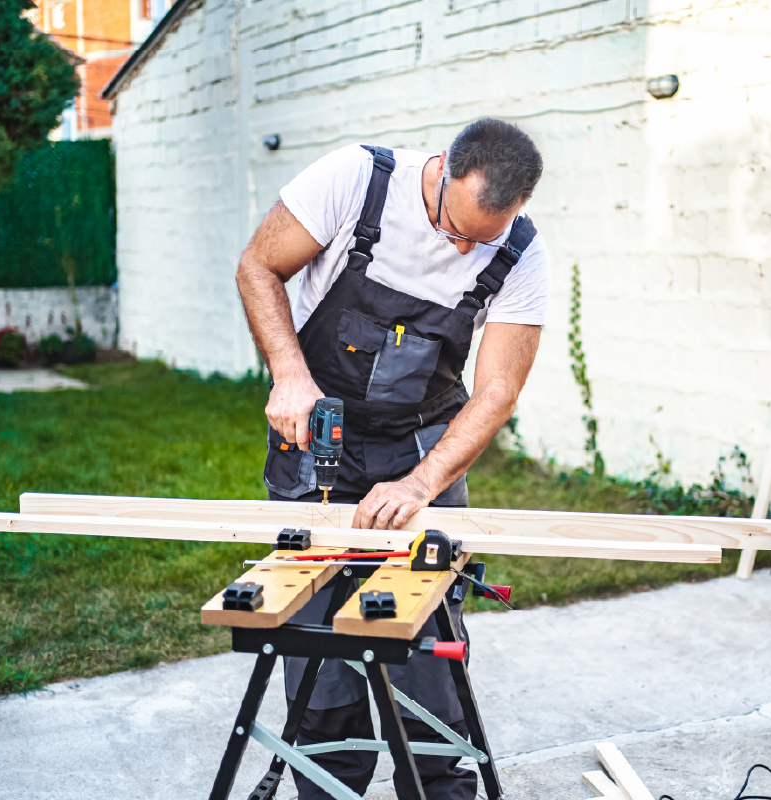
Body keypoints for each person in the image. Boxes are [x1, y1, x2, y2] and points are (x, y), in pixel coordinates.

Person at [235, 118, 548, 800]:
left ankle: (437, 783)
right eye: (455, 229)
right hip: (321, 429)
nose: (465, 248)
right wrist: (288, 373)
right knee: (314, 626)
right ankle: (328, 780)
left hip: (420, 442)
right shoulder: (355, 180)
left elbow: (498, 390)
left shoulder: (521, 252)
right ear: (440, 171)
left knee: (422, 625)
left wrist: (425, 480)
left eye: (481, 240)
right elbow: (258, 266)